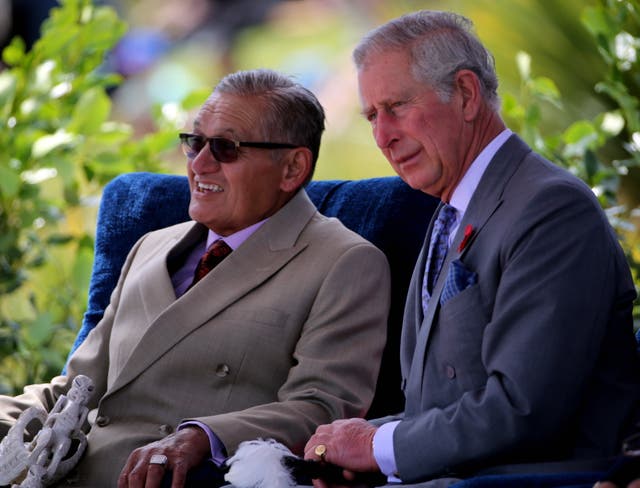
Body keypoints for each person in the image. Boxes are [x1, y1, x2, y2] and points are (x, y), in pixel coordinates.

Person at [0, 68, 391, 487]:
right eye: (194, 142)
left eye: (225, 147)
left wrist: (203, 437)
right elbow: (75, 389)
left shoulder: (344, 262)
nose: (200, 165)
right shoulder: (150, 246)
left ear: (293, 167)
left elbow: (321, 408)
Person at [302, 10, 640, 488]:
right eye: (372, 116)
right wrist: (359, 445)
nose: (383, 137)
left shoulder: (550, 208)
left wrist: (377, 448)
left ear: (465, 94)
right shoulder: (450, 208)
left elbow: (524, 409)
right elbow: (439, 407)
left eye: (396, 106)